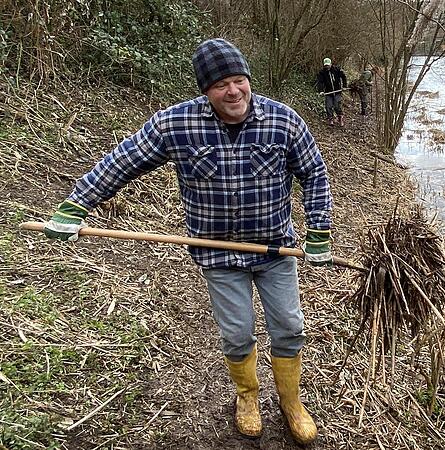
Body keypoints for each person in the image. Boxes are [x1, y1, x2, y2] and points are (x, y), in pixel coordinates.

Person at [42, 38, 331, 444]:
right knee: (238, 333)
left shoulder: (283, 121)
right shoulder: (175, 124)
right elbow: (122, 161)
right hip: (217, 254)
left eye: (238, 80)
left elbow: (314, 174)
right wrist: (77, 205)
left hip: (275, 249)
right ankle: (247, 398)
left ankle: (291, 402)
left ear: (248, 78)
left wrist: (319, 228)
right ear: (205, 91)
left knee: (288, 327)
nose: (233, 92)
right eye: (220, 85)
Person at [315, 57, 347, 126]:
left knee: (337, 106)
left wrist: (344, 86)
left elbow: (343, 77)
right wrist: (321, 91)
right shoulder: (322, 73)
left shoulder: (337, 70)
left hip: (337, 92)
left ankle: (340, 118)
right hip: (328, 92)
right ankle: (330, 119)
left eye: (328, 65)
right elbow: (320, 82)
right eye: (325, 65)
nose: (327, 66)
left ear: (331, 64)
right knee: (328, 106)